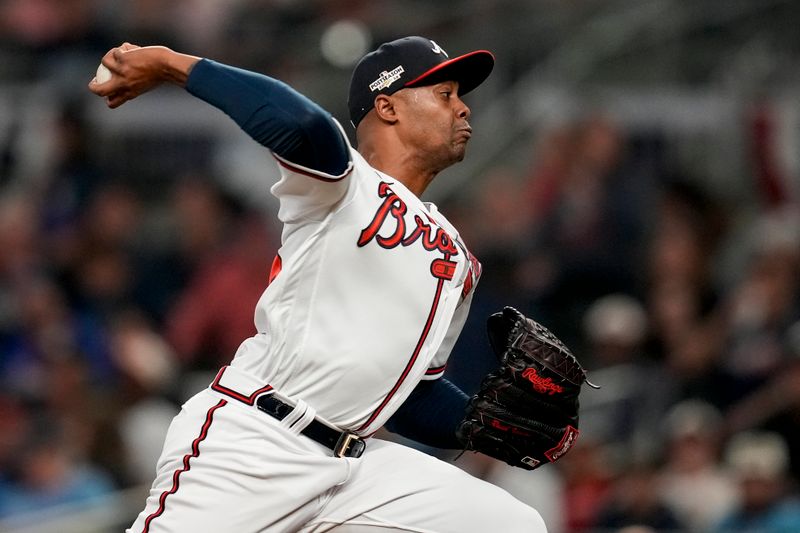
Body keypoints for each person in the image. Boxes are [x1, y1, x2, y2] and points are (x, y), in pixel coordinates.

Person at [89, 36, 548, 532]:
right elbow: (304, 125)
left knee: (511, 524)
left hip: (356, 469)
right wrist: (170, 63)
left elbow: (412, 397)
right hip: (259, 440)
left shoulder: (459, 258)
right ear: (388, 106)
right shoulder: (344, 186)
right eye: (445, 94)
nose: (463, 109)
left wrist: (489, 425)